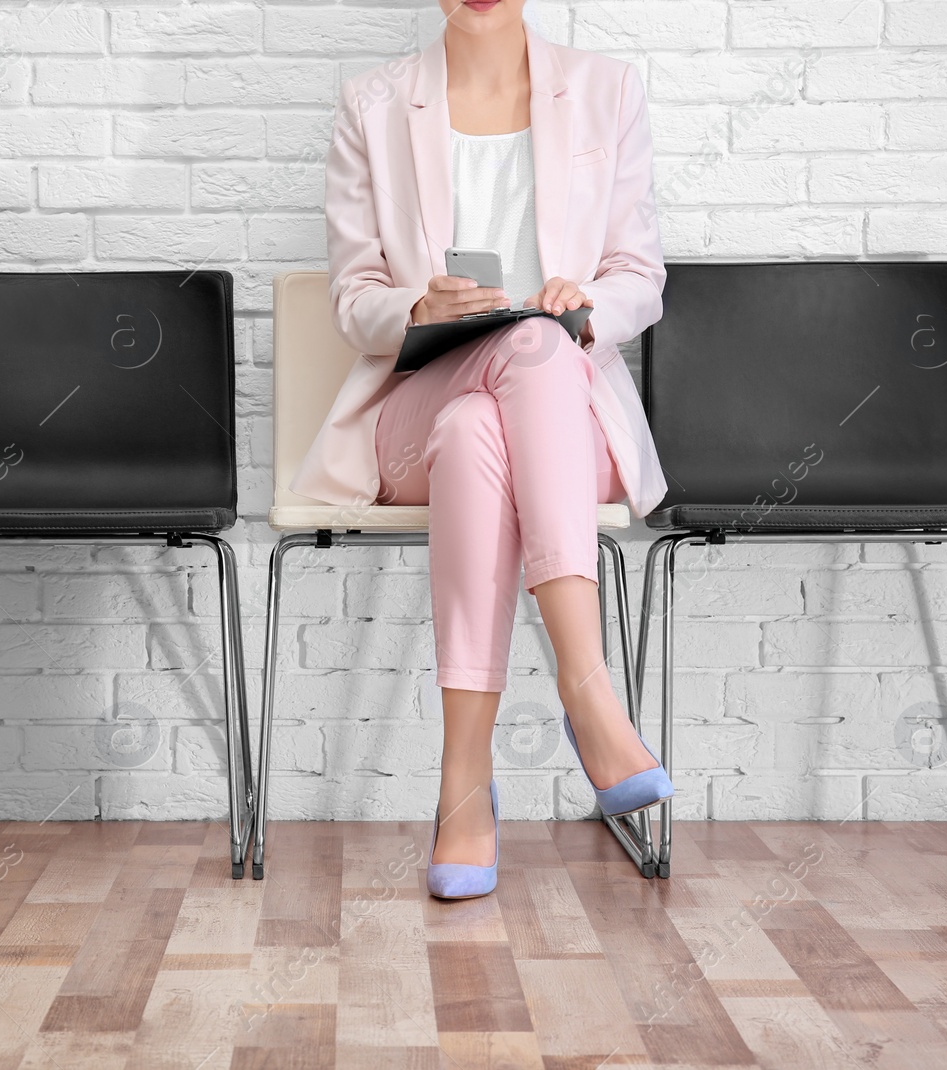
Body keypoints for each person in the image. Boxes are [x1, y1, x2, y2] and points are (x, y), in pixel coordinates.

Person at [288, 0, 675, 898]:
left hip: (563, 414)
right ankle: (589, 695)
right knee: (479, 396)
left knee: (507, 389)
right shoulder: (373, 102)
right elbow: (353, 297)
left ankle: (462, 781)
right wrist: (415, 308)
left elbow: (641, 277)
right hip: (414, 408)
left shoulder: (608, 90)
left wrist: (585, 303)